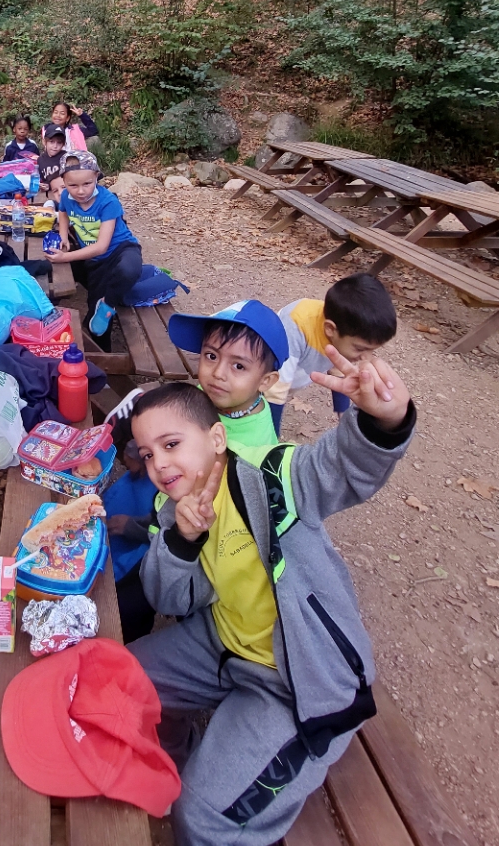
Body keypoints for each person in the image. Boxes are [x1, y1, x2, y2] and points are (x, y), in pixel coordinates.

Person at [126, 353, 414, 846]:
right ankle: (177, 758)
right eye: (148, 454)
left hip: (299, 679)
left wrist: (383, 421)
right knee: (124, 682)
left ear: (216, 439)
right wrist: (182, 541)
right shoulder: (170, 508)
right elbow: (169, 598)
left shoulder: (271, 477)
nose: (159, 464)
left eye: (171, 444)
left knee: (201, 817)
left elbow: (337, 467)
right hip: (224, 644)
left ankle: (219, 787)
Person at [266, 274, 398, 431]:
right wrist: (272, 438)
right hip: (262, 380)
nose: (366, 358)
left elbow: (338, 370)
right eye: (360, 349)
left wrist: (343, 416)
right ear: (330, 329)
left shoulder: (343, 324)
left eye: (372, 350)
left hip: (286, 379)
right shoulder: (294, 329)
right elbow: (274, 390)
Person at [47, 151, 142, 344]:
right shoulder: (66, 196)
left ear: (96, 177)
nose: (80, 191)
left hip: (120, 249)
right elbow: (63, 212)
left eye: (87, 184)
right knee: (95, 325)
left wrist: (66, 256)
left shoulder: (108, 201)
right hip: (96, 262)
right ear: (64, 181)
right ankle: (100, 349)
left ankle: (107, 305)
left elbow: (101, 247)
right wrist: (63, 235)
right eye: (73, 185)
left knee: (129, 269)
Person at [167, 301, 287, 446]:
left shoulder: (249, 449)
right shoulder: (211, 392)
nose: (218, 373)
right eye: (212, 356)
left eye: (239, 366)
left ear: (265, 381)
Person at [102, 437, 158, 643]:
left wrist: (131, 527)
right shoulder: (139, 471)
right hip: (128, 526)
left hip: (148, 560)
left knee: (127, 609)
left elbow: (169, 530)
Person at [37, 124, 67, 200]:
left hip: (65, 193)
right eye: (51, 142)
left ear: (63, 144)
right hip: (49, 195)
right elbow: (44, 180)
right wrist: (45, 185)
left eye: (59, 143)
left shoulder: (66, 157)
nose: (55, 146)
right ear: (44, 142)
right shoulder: (40, 160)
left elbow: (70, 179)